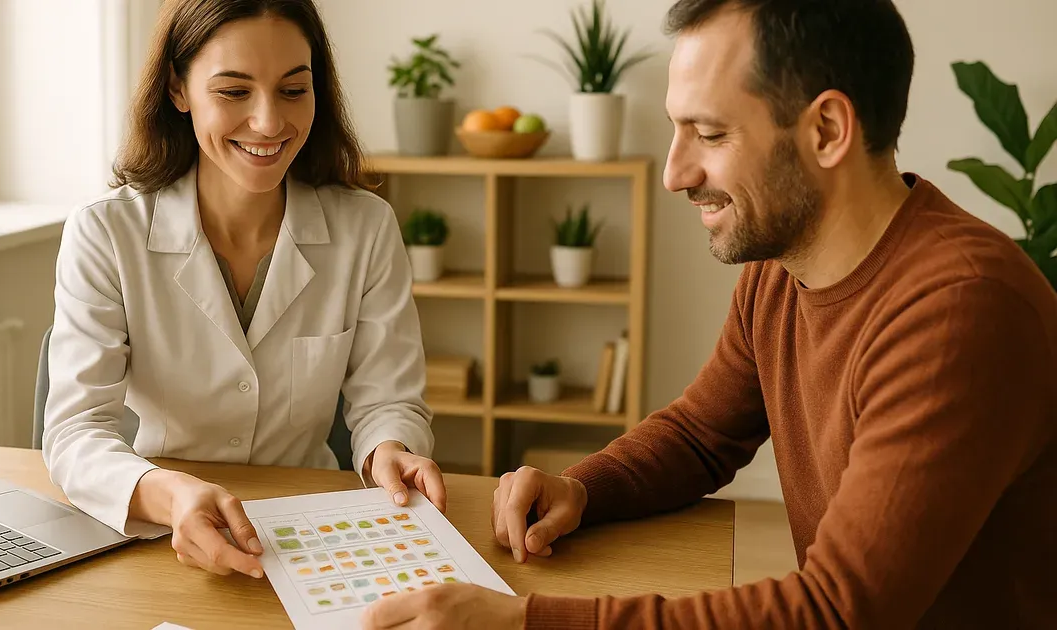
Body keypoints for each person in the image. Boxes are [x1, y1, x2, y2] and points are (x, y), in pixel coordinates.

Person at [361, 0, 1057, 628]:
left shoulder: (959, 309)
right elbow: (700, 435)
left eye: (710, 134)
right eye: (677, 130)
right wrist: (582, 487)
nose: (674, 173)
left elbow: (839, 610)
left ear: (827, 129)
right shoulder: (780, 271)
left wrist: (524, 623)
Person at [43, 0, 446, 581]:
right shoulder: (107, 231)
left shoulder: (366, 227)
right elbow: (76, 432)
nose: (268, 123)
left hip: (312, 535)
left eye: (293, 90)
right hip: (159, 535)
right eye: (234, 92)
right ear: (179, 89)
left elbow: (388, 400)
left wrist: (391, 449)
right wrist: (169, 493)